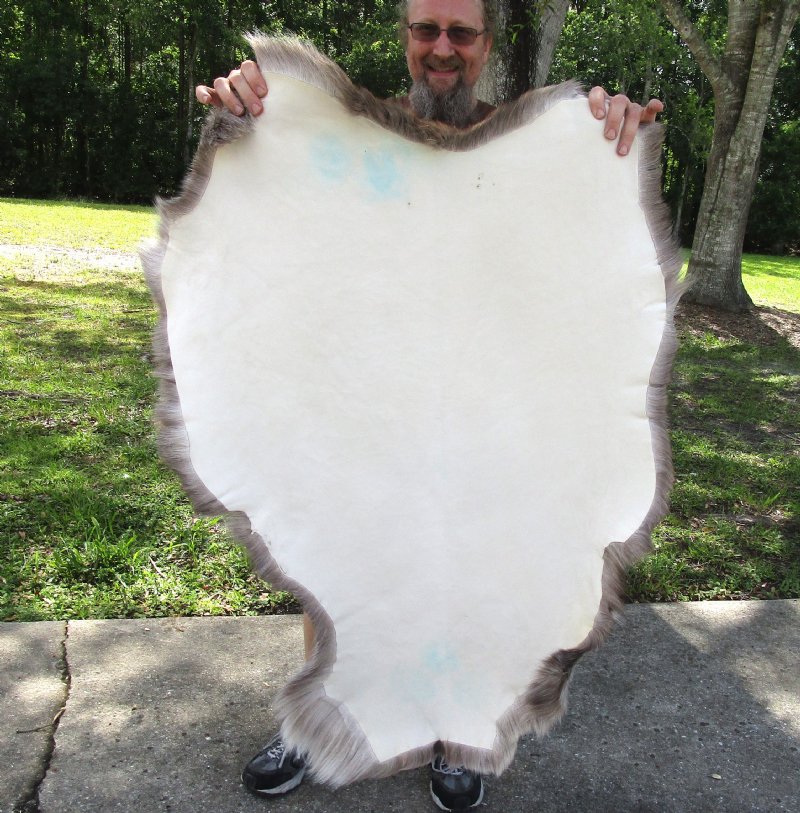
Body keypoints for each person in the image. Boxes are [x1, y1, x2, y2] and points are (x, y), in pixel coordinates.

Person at [195, 1, 662, 810]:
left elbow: (578, 256)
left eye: (461, 33)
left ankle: (461, 730)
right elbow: (278, 219)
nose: (441, 48)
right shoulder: (343, 135)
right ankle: (318, 725)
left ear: (486, 45)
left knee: (476, 566)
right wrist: (248, 121)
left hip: (490, 411)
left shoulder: (535, 145)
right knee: (344, 558)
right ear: (406, 36)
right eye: (426, 30)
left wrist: (605, 136)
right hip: (366, 406)